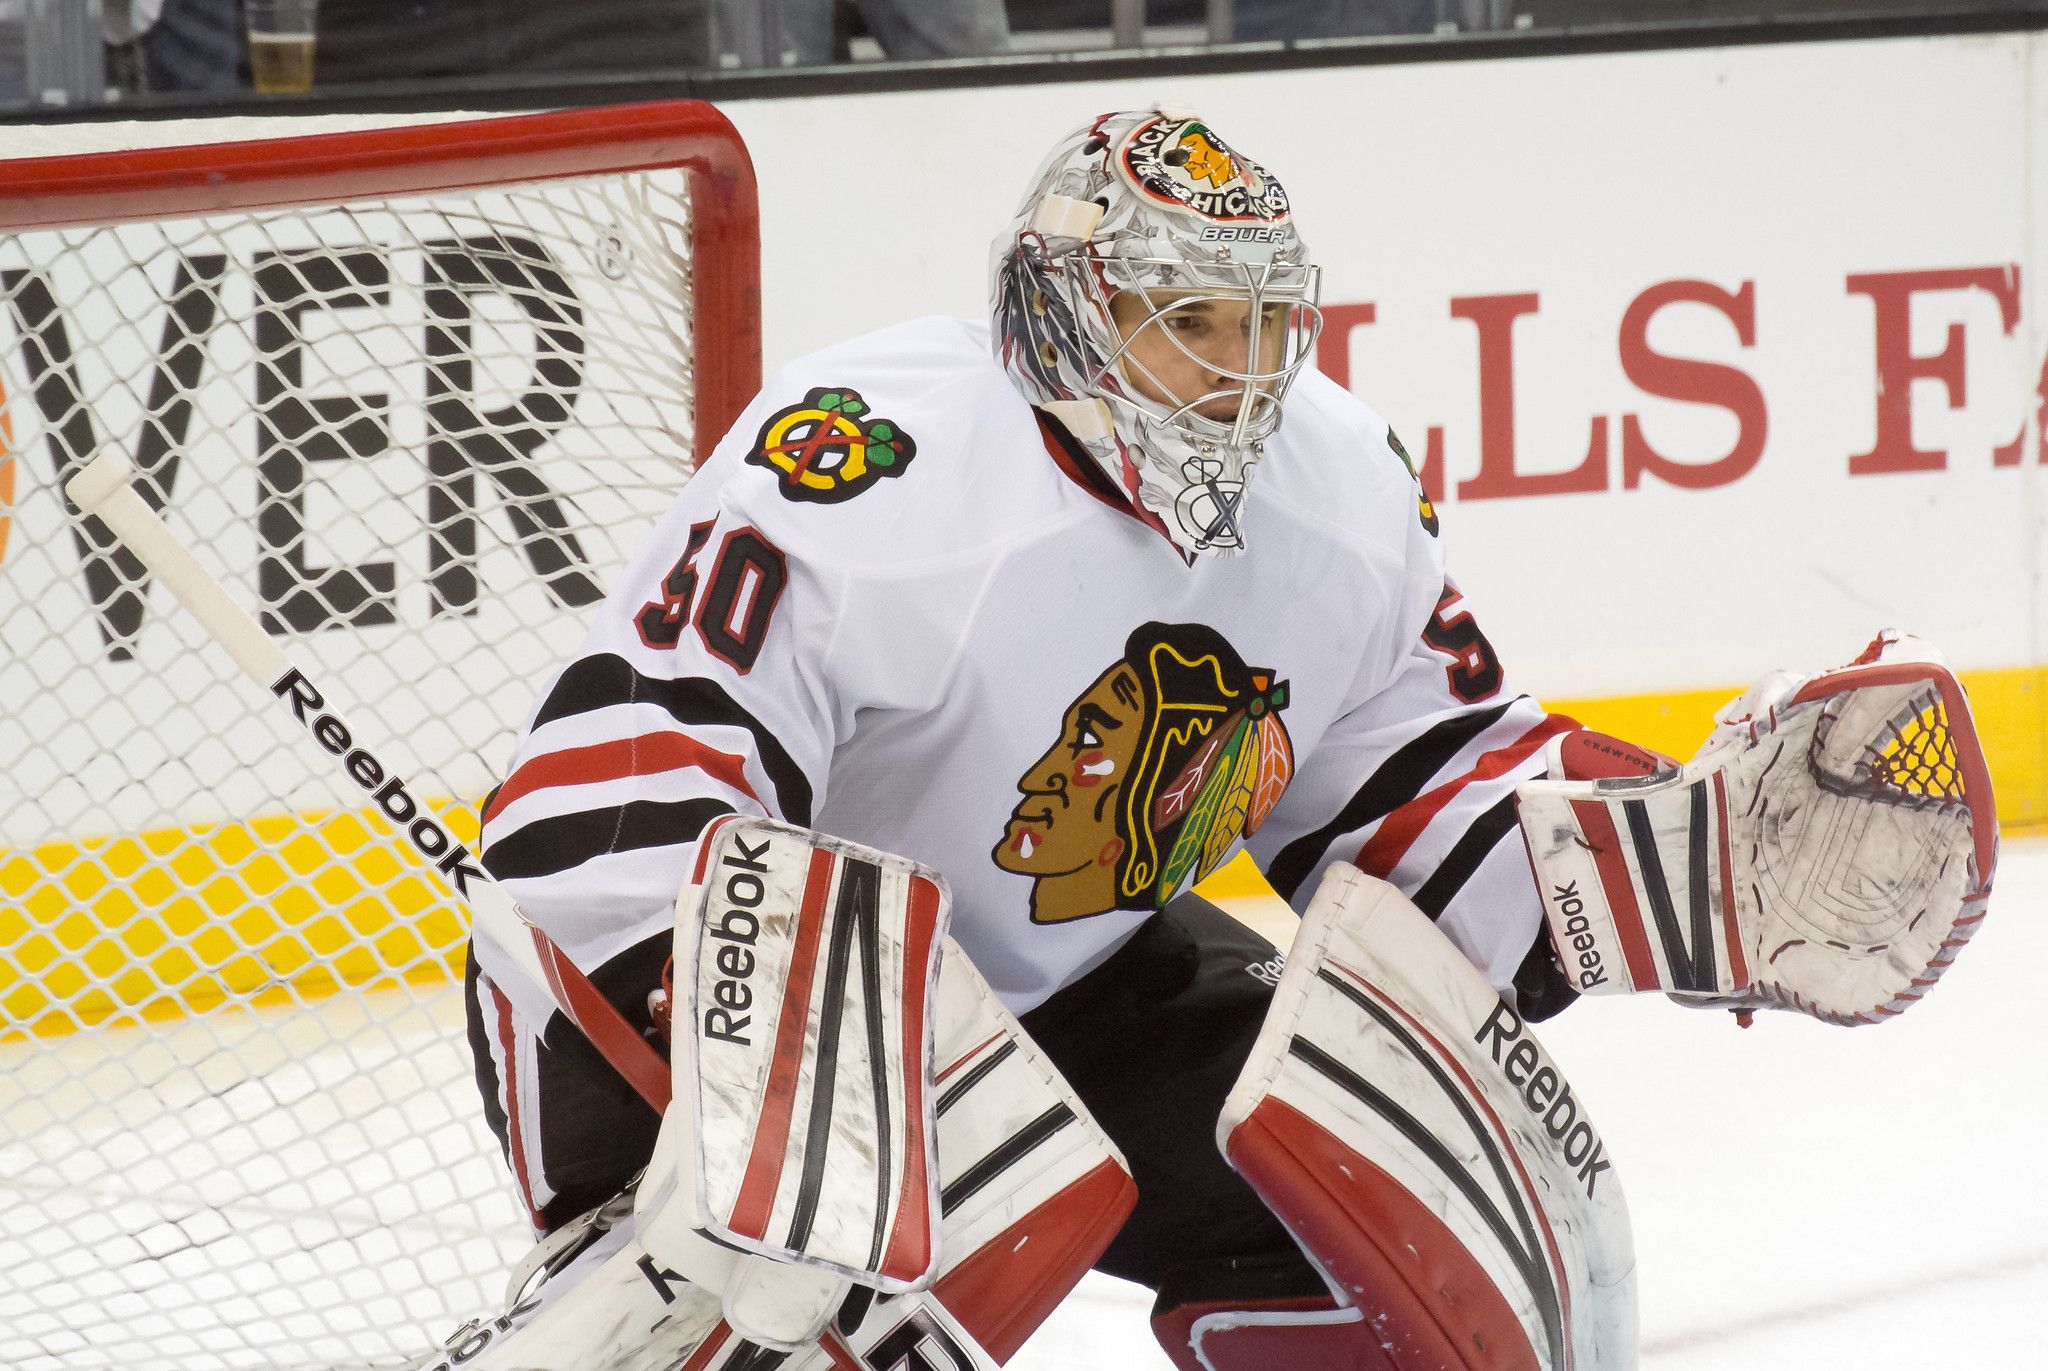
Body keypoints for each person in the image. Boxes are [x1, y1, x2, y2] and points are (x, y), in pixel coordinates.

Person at [459, 107, 1993, 1369]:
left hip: (1048, 989)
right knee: (770, 1322)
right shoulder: (874, 459)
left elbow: (1402, 795)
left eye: (1265, 322)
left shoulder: (1340, 488)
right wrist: (730, 1065)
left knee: (1423, 1220)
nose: (1242, 369)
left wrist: (1658, 868)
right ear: (1065, 310)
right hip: (712, 1007)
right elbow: (617, 794)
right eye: (1189, 321)